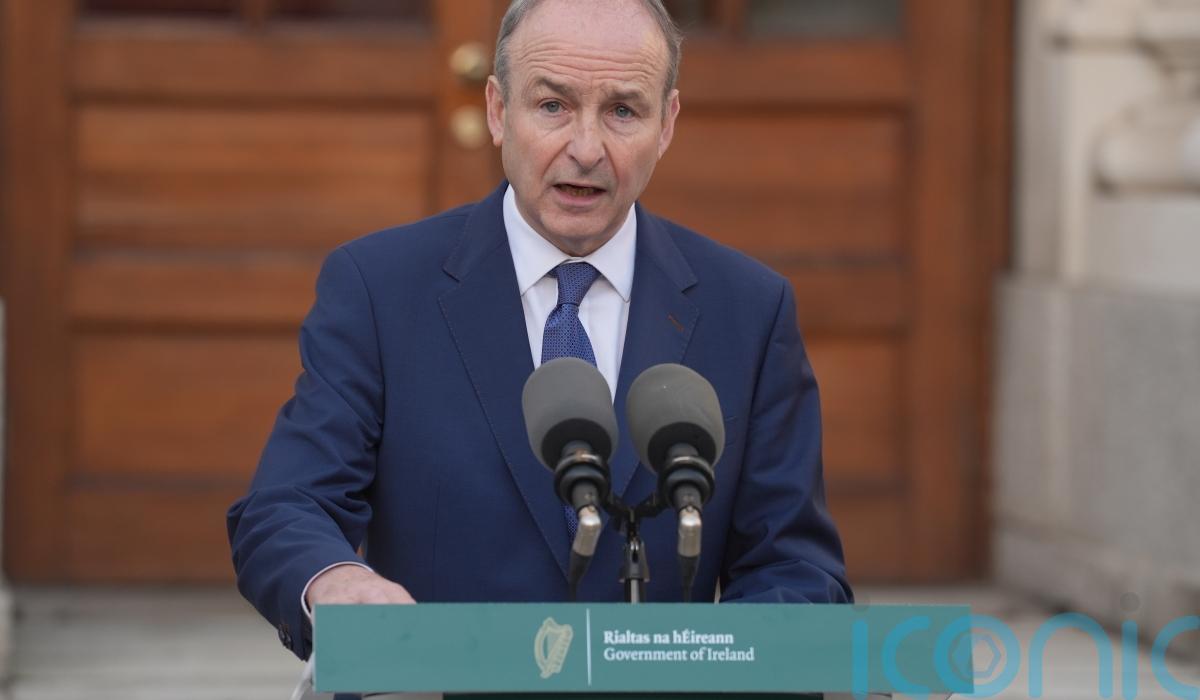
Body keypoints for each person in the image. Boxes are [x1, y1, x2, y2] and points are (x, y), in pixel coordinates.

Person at [227, 0, 852, 663]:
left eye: (623, 111)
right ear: (498, 111)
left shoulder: (749, 310)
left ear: (667, 123)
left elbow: (796, 568)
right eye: (553, 105)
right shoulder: (379, 288)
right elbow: (286, 506)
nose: (586, 149)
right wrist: (336, 582)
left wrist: (723, 662)